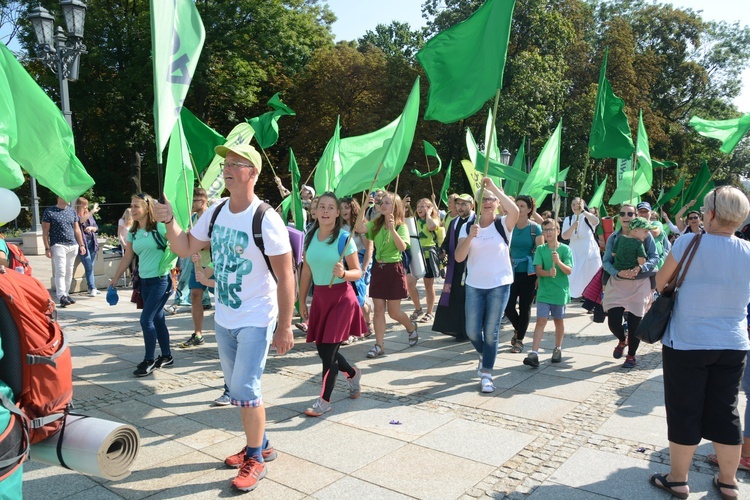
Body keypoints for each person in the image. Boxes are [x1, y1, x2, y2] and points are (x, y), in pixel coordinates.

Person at [153, 143, 294, 493]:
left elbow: (287, 275)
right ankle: (261, 443)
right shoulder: (215, 211)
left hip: (256, 317)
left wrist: (286, 325)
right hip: (224, 317)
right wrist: (170, 220)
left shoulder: (266, 218)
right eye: (226, 163)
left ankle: (256, 459)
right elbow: (185, 247)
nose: (228, 168)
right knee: (237, 391)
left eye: (237, 164)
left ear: (253, 173)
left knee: (246, 389)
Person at [648, 186, 750, 500]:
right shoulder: (748, 250)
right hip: (733, 342)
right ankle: (729, 481)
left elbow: (660, 282)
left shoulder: (689, 242)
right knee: (726, 409)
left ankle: (678, 479)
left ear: (712, 213)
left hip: (688, 339)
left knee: (684, 409)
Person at [298, 193, 366, 416]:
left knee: (328, 353)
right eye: (321, 207)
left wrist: (344, 272)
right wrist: (301, 301)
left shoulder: (343, 238)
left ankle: (324, 400)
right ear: (314, 211)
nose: (325, 211)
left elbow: (358, 272)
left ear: (338, 213)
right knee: (324, 350)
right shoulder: (310, 235)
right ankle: (353, 374)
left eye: (330, 208)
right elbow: (306, 270)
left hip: (341, 299)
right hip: (319, 298)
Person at [455, 178, 520, 393]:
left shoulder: (503, 224)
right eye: (483, 199)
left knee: (491, 331)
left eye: (491, 199)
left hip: (499, 284)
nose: (488, 202)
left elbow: (515, 212)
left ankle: (487, 374)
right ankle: (485, 354)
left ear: (497, 203)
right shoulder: (467, 227)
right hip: (475, 284)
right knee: (472, 331)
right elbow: (458, 257)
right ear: (477, 203)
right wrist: (469, 238)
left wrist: (493, 189)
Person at [109, 193, 175, 377]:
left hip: (161, 280)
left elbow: (177, 244)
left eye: (137, 206)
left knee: (146, 320)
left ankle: (149, 359)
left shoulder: (160, 228)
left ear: (147, 208)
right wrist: (115, 278)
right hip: (144, 282)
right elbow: (128, 256)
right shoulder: (133, 232)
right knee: (158, 319)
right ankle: (167, 356)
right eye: (132, 206)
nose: (133, 210)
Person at [602, 204, 659, 369]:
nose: (626, 216)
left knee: (635, 323)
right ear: (619, 217)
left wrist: (642, 267)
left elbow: (654, 257)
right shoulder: (614, 237)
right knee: (613, 322)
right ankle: (622, 339)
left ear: (636, 216)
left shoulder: (645, 235)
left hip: (640, 283)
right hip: (618, 283)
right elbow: (606, 261)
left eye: (630, 213)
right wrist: (617, 273)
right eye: (622, 213)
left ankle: (631, 356)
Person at [362, 191, 418, 358]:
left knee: (394, 313)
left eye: (387, 203)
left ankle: (411, 327)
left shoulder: (402, 226)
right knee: (378, 310)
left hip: (394, 269)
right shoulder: (376, 223)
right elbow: (359, 228)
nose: (383, 205)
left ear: (396, 207)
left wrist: (393, 229)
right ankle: (379, 345)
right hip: (379, 269)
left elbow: (402, 248)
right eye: (382, 202)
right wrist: (363, 207)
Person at [523, 218, 573, 367]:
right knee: (541, 321)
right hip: (544, 292)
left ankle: (557, 348)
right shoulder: (541, 249)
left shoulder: (565, 249)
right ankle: (534, 353)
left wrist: (558, 262)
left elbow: (569, 270)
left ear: (557, 231)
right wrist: (547, 272)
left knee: (558, 321)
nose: (548, 232)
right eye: (545, 230)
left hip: (559, 291)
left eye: (551, 229)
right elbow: (538, 270)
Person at [434, 194, 476, 342]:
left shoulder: (477, 222)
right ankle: (459, 330)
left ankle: (470, 330)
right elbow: (446, 241)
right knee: (456, 298)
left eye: (464, 204)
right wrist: (443, 250)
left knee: (469, 299)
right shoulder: (454, 222)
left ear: (471, 206)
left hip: (471, 266)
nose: (460, 207)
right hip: (456, 267)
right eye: (458, 204)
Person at [505, 195, 543, 354]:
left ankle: (519, 340)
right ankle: (519, 329)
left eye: (522, 206)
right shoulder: (508, 225)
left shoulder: (535, 228)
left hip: (529, 273)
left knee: (525, 307)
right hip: (510, 271)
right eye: (516, 205)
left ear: (529, 209)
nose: (519, 208)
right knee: (507, 307)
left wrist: (540, 276)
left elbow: (541, 252)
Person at [179, 188, 214, 350]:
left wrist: (195, 242)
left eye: (193, 201)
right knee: (195, 296)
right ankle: (198, 333)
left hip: (213, 265)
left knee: (222, 298)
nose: (190, 204)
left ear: (203, 201)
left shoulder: (212, 217)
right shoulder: (192, 218)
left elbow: (213, 243)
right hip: (197, 264)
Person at [42, 196, 86, 307]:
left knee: (69, 271)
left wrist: (81, 244)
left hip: (72, 244)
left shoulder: (71, 210)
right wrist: (47, 248)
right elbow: (45, 232)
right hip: (58, 245)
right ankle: (61, 295)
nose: (68, 198)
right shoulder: (50, 211)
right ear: (58, 197)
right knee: (61, 270)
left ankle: (66, 293)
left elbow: (77, 229)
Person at [340, 196, 373, 337]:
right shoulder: (339, 226)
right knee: (348, 298)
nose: (343, 211)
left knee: (359, 298)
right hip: (345, 264)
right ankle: (351, 329)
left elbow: (369, 248)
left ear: (353, 208)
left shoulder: (362, 225)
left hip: (359, 263)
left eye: (346, 207)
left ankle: (368, 322)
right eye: (340, 208)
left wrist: (364, 268)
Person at [406, 197, 442, 324]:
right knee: (410, 283)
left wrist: (428, 214)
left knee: (428, 286)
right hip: (415, 255)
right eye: (419, 206)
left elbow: (432, 227)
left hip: (428, 255)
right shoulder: (414, 221)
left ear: (430, 208)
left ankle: (430, 312)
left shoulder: (434, 219)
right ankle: (418, 308)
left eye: (424, 206)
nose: (420, 209)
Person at [561, 197, 601, 299]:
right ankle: (569, 296)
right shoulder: (568, 219)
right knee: (573, 274)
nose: (575, 206)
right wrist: (572, 227)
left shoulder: (587, 216)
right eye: (573, 204)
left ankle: (592, 300)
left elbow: (596, 221)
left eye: (578, 204)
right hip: (575, 250)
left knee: (592, 275)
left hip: (589, 250)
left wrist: (583, 211)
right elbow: (564, 236)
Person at [75, 197, 100, 297]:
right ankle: (92, 287)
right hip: (82, 244)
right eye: (84, 204)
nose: (86, 206)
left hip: (92, 242)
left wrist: (92, 228)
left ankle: (91, 287)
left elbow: (96, 227)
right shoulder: (76, 215)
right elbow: (81, 221)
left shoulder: (89, 216)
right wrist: (92, 211)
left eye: (87, 204)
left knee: (90, 267)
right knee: (89, 265)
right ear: (79, 205)